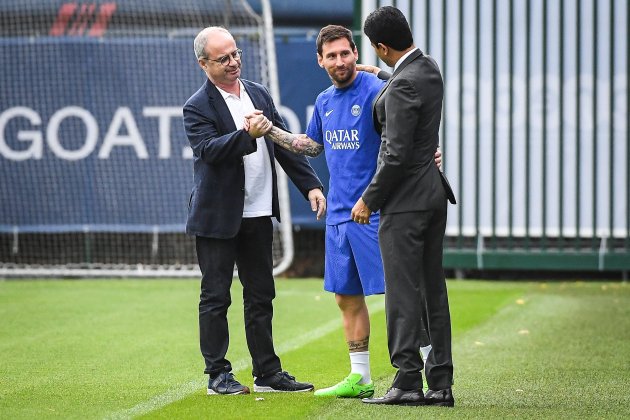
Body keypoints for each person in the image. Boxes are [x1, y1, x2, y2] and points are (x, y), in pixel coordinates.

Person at [261, 25, 440, 399]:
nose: (339, 61)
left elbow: (411, 125)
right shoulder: (324, 100)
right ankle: (360, 377)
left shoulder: (379, 90)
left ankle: (428, 373)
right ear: (320, 60)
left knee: (400, 295)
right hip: (340, 216)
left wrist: (430, 157)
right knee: (346, 297)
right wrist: (270, 131)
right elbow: (310, 146)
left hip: (376, 211)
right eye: (331, 56)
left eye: (345, 53)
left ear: (357, 52)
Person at [182, 26, 326, 396]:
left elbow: (284, 143)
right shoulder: (196, 106)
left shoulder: (258, 93)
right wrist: (247, 135)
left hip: (259, 213)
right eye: (223, 58)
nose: (234, 62)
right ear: (204, 64)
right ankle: (217, 375)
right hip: (216, 217)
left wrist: (310, 185)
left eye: (235, 53)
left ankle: (267, 372)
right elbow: (209, 150)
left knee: (261, 294)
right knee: (216, 296)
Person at [352, 7, 457, 407]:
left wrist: (368, 199)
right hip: (433, 195)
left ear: (381, 46)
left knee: (402, 292)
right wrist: (378, 73)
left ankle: (407, 380)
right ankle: (441, 383)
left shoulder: (401, 87)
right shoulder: (428, 69)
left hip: (405, 204)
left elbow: (393, 156)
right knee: (433, 290)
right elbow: (404, 79)